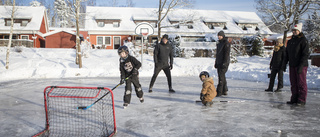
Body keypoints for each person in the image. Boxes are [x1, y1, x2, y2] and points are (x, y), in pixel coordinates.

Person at [283, 23, 309, 106]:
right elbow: (287, 54)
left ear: (299, 31)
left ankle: (301, 99)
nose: (294, 32)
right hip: (292, 64)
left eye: (296, 30)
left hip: (301, 65)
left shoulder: (303, 40)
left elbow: (305, 54)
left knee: (301, 83)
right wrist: (284, 64)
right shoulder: (290, 41)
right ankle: (294, 98)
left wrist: (301, 66)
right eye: (293, 30)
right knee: (293, 82)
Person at [214, 31, 230, 96]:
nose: (219, 37)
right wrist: (216, 62)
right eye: (218, 35)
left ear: (223, 36)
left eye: (220, 36)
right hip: (219, 62)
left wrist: (225, 63)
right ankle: (224, 90)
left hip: (224, 63)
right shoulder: (219, 43)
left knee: (221, 77)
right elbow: (218, 54)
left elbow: (227, 54)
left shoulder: (226, 43)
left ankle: (219, 91)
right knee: (222, 76)